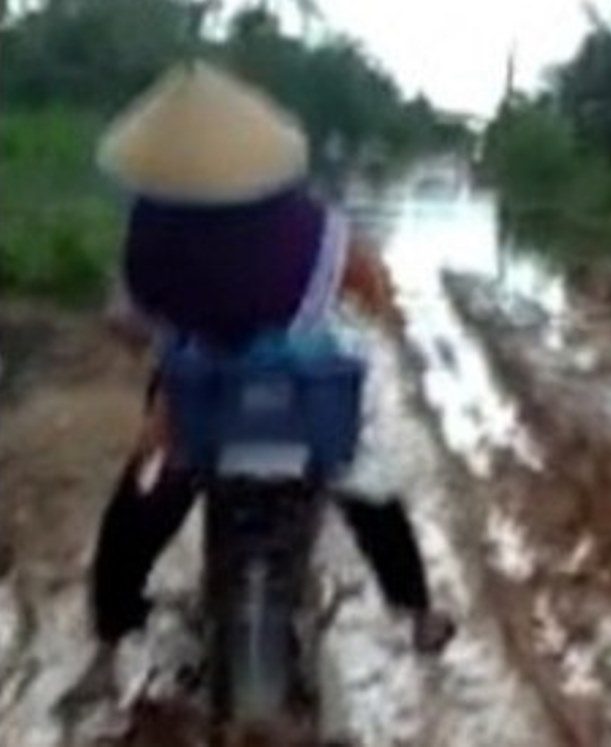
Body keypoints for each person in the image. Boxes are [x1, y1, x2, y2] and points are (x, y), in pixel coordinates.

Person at [62, 62, 453, 710]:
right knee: (368, 487)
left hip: (201, 402)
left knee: (138, 507)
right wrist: (372, 310)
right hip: (304, 401)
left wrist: (165, 343)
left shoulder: (152, 230)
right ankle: (417, 614)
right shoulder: (306, 223)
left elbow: (128, 319)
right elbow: (369, 285)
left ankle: (107, 645)